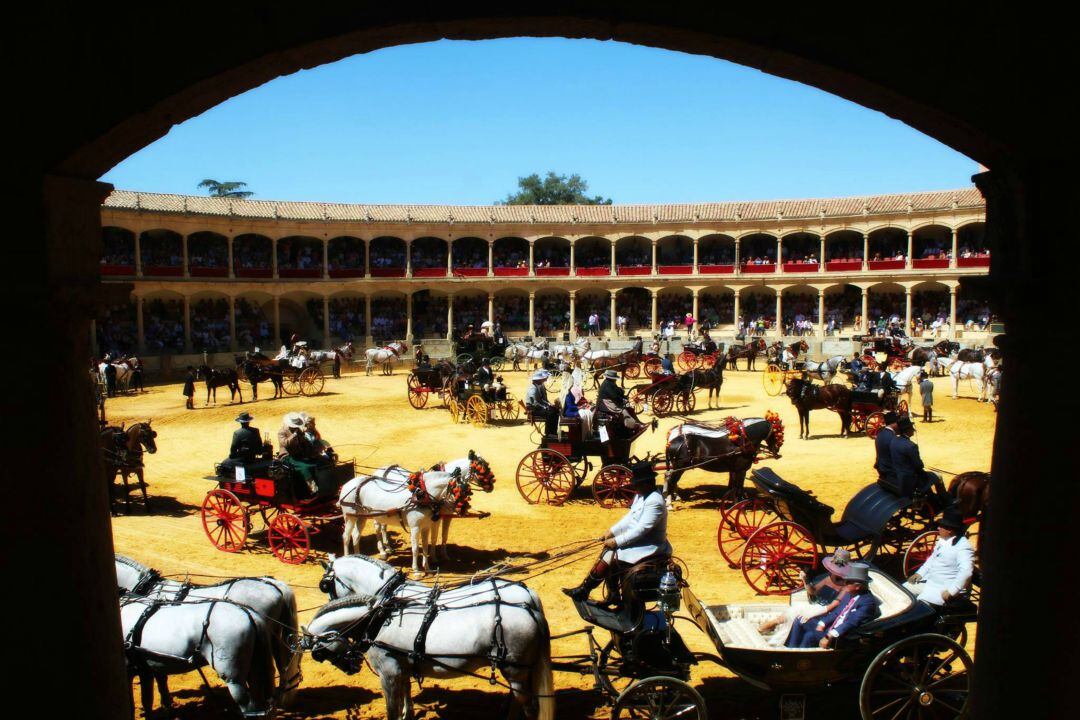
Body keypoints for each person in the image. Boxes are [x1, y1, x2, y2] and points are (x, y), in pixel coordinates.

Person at [562, 461, 671, 601]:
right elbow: (629, 518)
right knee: (608, 551)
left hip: (650, 546)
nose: (634, 487)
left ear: (646, 483)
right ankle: (608, 593)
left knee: (611, 553)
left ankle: (588, 589)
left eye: (636, 484)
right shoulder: (641, 495)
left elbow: (641, 529)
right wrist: (612, 531)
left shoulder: (655, 501)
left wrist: (617, 541)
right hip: (641, 541)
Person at [785, 562, 880, 648]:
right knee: (800, 620)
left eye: (847, 582)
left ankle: (800, 657)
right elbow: (836, 613)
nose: (844, 583)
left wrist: (828, 636)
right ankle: (791, 649)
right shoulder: (849, 594)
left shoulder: (867, 603)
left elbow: (851, 623)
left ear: (858, 586)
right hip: (829, 629)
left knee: (810, 636)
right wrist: (822, 623)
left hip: (840, 637)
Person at [904, 506, 975, 605]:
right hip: (930, 582)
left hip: (942, 589)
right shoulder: (943, 540)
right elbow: (932, 559)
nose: (938, 528)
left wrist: (952, 591)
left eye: (941, 526)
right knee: (901, 592)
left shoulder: (963, 547)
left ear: (949, 530)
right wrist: (920, 573)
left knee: (919, 607)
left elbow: (966, 571)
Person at [890, 416, 928, 497]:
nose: (913, 430)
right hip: (909, 480)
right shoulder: (911, 446)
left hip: (897, 476)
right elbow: (919, 466)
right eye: (911, 428)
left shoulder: (893, 441)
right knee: (936, 477)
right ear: (908, 430)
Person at [525, 370, 560, 436]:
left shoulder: (537, 386)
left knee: (555, 410)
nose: (542, 380)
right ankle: (549, 433)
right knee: (550, 413)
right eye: (540, 379)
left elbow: (542, 399)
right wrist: (545, 407)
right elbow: (534, 403)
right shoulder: (533, 389)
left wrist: (548, 405)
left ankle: (553, 431)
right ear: (537, 380)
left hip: (537, 407)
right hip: (533, 409)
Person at [874, 411, 900, 487]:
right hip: (891, 471)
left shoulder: (880, 434)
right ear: (894, 423)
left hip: (881, 469)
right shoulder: (893, 438)